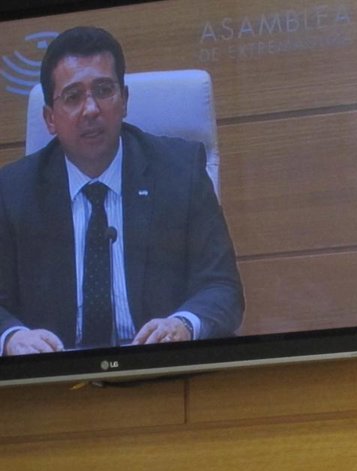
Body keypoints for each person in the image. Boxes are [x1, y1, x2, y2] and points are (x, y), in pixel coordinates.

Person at [0, 25, 243, 356]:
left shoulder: (180, 172)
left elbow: (222, 287)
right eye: (73, 97)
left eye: (103, 90)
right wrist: (11, 336)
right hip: (60, 376)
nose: (91, 109)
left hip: (160, 366)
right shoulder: (13, 191)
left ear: (124, 100)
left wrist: (184, 324)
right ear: (50, 118)